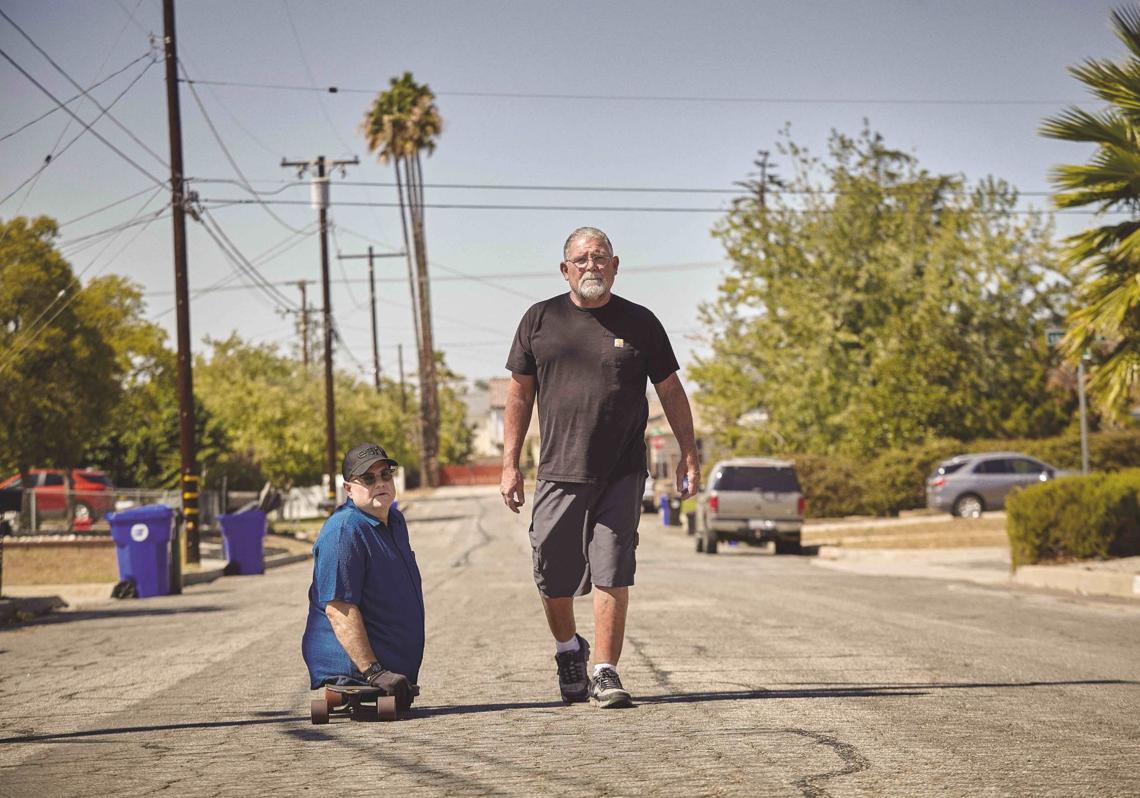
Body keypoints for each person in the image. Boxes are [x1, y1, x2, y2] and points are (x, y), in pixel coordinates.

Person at [500, 226, 700, 708]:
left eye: (601, 257)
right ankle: (569, 649)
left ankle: (605, 671)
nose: (592, 265)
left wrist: (689, 454)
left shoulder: (641, 322)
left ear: (615, 265)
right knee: (551, 568)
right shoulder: (539, 319)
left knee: (613, 568)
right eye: (582, 259)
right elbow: (519, 394)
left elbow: (670, 391)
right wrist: (509, 463)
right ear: (565, 268)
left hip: (621, 470)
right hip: (558, 469)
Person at [301, 443, 424, 711]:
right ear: (348, 488)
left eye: (386, 475)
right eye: (368, 478)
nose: (380, 483)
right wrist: (374, 672)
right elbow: (338, 609)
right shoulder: (344, 531)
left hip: (391, 669)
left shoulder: (395, 520)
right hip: (357, 671)